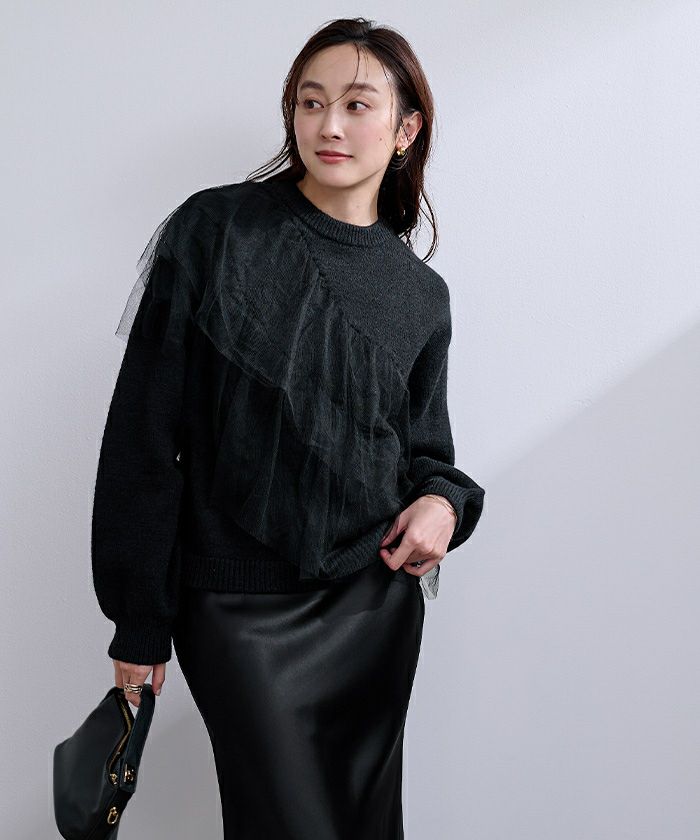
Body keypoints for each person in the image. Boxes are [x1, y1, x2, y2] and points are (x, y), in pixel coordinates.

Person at [91, 17, 486, 840]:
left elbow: (427, 455)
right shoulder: (217, 231)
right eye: (310, 102)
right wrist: (139, 620)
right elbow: (144, 436)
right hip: (233, 607)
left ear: (406, 129)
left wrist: (444, 502)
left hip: (372, 611)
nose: (328, 124)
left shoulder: (421, 296)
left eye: (356, 104)